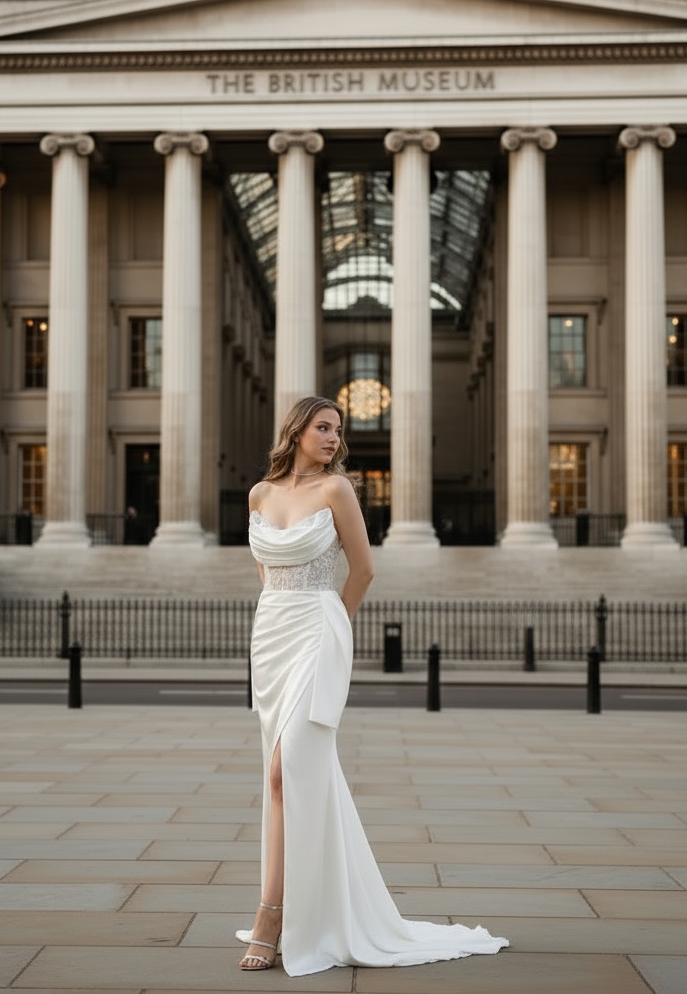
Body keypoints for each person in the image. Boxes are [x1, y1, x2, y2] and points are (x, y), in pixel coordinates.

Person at [237, 395, 509, 976]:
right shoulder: (260, 494)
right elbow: (266, 573)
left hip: (316, 631)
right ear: (297, 430)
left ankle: (270, 915)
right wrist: (281, 612)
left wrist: (332, 624)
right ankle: (302, 907)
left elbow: (362, 570)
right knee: (285, 780)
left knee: (289, 769)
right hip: (272, 633)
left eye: (339, 430)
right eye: (324, 427)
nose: (334, 438)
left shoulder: (338, 491)